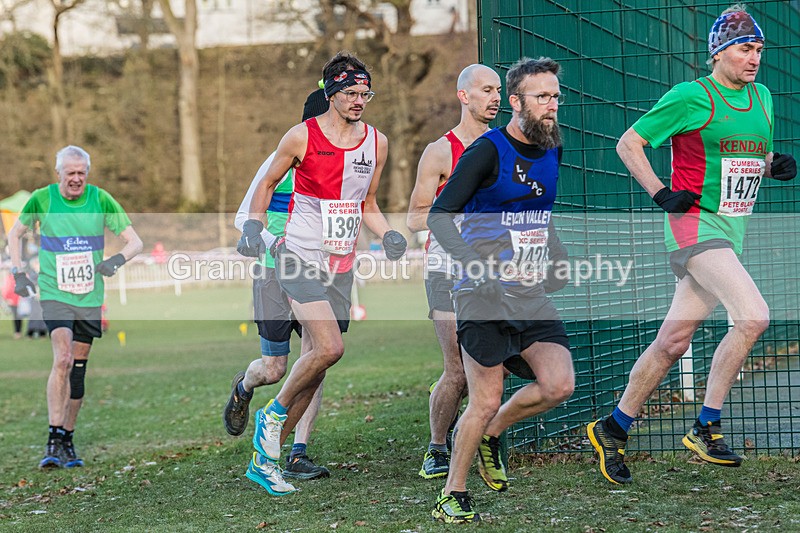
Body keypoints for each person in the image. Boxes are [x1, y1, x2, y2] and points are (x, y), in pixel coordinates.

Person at [588, 4, 797, 485]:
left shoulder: (763, 97)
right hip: (694, 229)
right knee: (753, 315)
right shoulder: (690, 96)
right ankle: (706, 424)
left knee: (672, 342)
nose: (755, 58)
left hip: (730, 231)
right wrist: (660, 192)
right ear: (719, 53)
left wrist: (772, 166)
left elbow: (745, 155)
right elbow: (628, 144)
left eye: (760, 49)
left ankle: (613, 428)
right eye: (746, 49)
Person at [237, 52, 407, 494]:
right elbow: (267, 183)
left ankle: (266, 456)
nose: (359, 101)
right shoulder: (300, 137)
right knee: (329, 348)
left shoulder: (377, 142)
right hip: (297, 256)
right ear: (331, 92)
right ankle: (271, 417)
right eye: (351, 92)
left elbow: (367, 205)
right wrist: (254, 225)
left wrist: (388, 234)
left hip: (340, 264)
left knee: (320, 360)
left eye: (365, 93)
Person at [427, 57, 573, 523]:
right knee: (484, 397)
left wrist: (557, 256)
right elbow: (439, 215)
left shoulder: (554, 147)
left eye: (555, 95)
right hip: (481, 292)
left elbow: (539, 214)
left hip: (529, 292)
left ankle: (493, 434)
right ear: (516, 102)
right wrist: (477, 268)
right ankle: (452, 491)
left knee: (558, 384)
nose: (551, 105)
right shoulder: (487, 151)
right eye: (542, 97)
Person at [8, 145, 143, 469]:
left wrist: (115, 261)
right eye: (70, 173)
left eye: (81, 173)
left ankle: (67, 439)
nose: (76, 179)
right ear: (58, 174)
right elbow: (15, 235)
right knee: (63, 358)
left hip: (89, 297)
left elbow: (135, 241)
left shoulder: (100, 199)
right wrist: (18, 272)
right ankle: (53, 438)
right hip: (55, 293)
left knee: (78, 371)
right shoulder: (42, 199)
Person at [224, 88, 331, 495]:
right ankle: (244, 387)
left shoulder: (342, 168)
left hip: (318, 276)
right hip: (273, 274)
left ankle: (297, 452)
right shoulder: (279, 161)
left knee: (317, 356)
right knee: (275, 369)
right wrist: (275, 243)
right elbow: (242, 216)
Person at [406, 64, 501, 479]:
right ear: (464, 96)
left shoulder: (507, 145)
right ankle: (437, 447)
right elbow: (413, 217)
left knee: (492, 366)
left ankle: (479, 440)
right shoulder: (441, 150)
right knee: (458, 370)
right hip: (446, 269)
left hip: (494, 271)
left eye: (499, 89)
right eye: (486, 90)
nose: (495, 97)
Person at [2, 271, 24, 338]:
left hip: (19, 300)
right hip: (12, 301)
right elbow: (5, 289)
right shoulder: (9, 278)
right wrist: (6, 298)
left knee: (18, 316)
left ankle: (18, 332)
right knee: (16, 316)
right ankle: (17, 332)